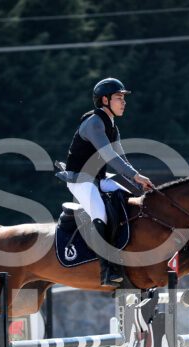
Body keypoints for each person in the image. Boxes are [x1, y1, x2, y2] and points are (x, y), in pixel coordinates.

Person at [60, 77, 154, 287]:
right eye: (119, 98)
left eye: (123, 98)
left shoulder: (112, 126)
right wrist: (135, 176)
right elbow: (109, 156)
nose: (124, 102)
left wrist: (137, 182)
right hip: (80, 180)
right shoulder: (94, 122)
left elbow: (121, 158)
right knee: (100, 214)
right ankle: (107, 270)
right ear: (105, 100)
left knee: (128, 199)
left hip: (99, 178)